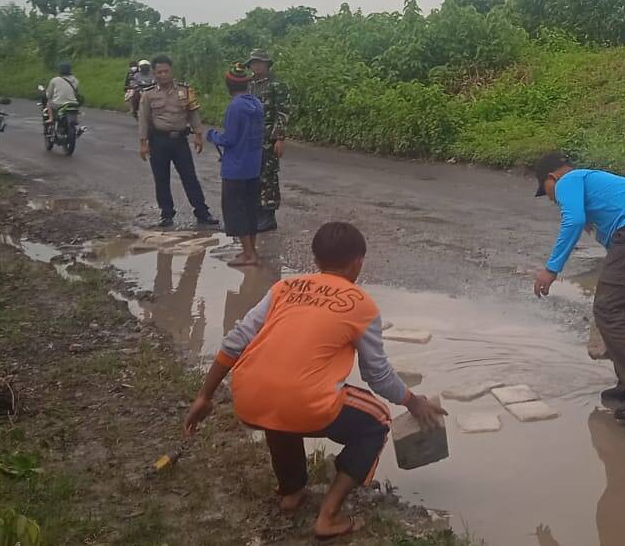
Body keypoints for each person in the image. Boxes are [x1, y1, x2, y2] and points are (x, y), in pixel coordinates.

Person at [183, 222, 446, 540]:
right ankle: (329, 515)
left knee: (280, 408)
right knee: (376, 419)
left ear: (316, 260)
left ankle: (291, 492)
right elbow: (376, 375)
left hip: (249, 397)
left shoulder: (284, 288)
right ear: (358, 262)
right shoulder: (361, 304)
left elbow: (235, 340)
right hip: (299, 402)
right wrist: (413, 401)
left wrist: (205, 396)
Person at [532, 152, 625, 419]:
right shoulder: (593, 182)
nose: (552, 200)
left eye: (546, 191)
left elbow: (573, 220)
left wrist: (551, 269)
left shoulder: (568, 180)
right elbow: (617, 243)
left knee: (608, 309)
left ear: (552, 177)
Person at [137, 55, 218, 229]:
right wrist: (143, 143)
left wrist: (198, 134)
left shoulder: (185, 91)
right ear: (154, 73)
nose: (163, 75)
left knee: (190, 177)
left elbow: (193, 113)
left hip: (180, 140)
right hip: (158, 140)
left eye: (166, 71)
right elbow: (143, 119)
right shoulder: (148, 94)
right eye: (159, 72)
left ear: (171, 71)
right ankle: (166, 214)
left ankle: (202, 212)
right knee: (161, 179)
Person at [206, 64, 265, 267]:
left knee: (235, 211)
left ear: (228, 85)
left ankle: (248, 254)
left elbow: (229, 139)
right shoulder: (257, 103)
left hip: (235, 169)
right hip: (253, 166)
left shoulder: (235, 107)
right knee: (250, 210)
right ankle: (251, 251)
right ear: (247, 84)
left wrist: (212, 135)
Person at [245, 49, 291, 233]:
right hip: (251, 139)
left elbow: (283, 112)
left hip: (268, 138)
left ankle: (268, 215)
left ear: (266, 64)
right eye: (253, 63)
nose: (256, 66)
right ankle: (257, 213)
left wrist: (279, 138)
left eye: (260, 62)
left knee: (268, 176)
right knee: (253, 176)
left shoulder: (276, 85)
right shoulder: (249, 85)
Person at [44, 61, 83, 129]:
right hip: (73, 103)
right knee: (74, 108)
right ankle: (74, 119)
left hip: (59, 104)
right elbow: (76, 93)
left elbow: (49, 95)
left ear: (60, 70)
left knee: (48, 103)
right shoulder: (75, 80)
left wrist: (48, 96)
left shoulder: (54, 80)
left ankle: (51, 118)